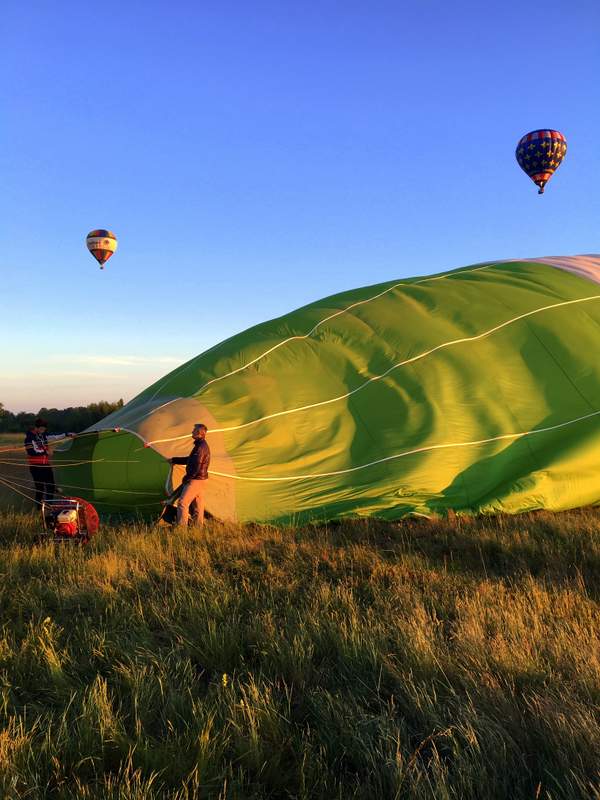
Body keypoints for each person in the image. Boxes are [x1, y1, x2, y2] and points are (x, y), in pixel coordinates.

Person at [24, 418, 75, 505]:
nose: (43, 431)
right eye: (41, 429)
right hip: (36, 466)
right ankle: (39, 508)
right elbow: (31, 452)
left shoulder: (44, 435)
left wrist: (67, 434)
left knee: (51, 486)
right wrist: (45, 452)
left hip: (46, 465)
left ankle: (49, 505)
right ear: (36, 427)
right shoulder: (29, 438)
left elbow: (55, 436)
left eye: (44, 429)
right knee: (40, 488)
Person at [169, 423, 211, 526]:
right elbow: (190, 460)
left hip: (196, 479)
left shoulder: (201, 447)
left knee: (183, 503)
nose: (192, 432)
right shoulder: (199, 445)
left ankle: (181, 528)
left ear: (199, 433)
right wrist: (174, 460)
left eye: (194, 431)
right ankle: (198, 527)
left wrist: (188, 478)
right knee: (198, 503)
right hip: (201, 478)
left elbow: (197, 465)